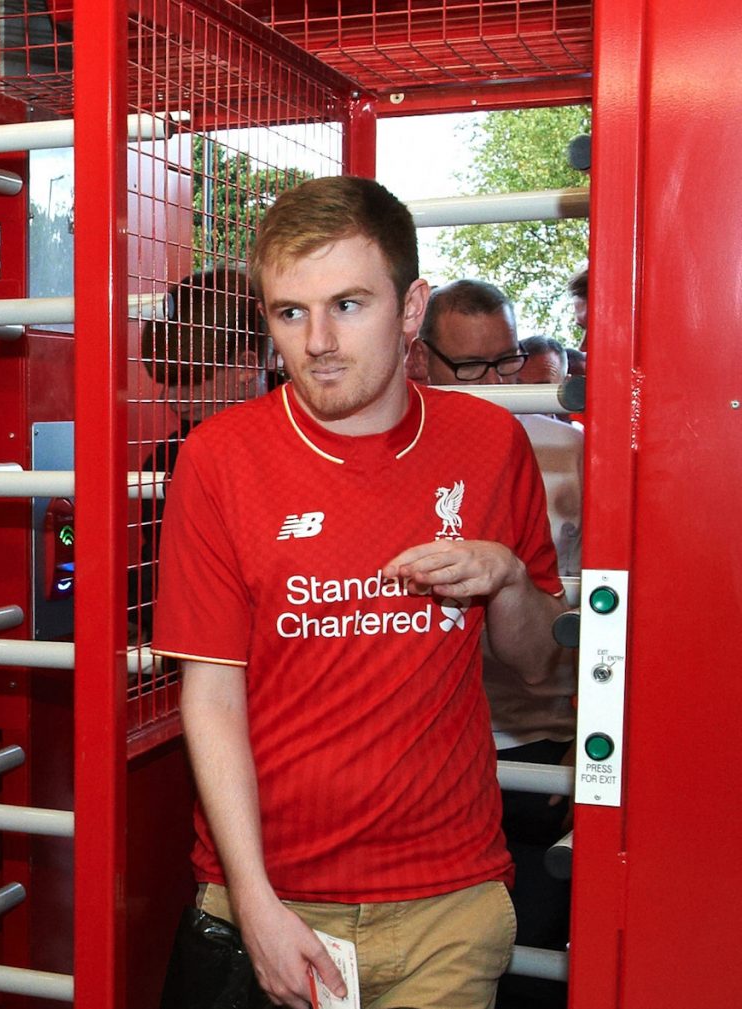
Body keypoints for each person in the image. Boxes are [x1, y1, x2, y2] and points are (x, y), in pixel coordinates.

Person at [152, 177, 567, 1009]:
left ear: (411, 309)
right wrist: (256, 903)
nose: (319, 342)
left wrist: (510, 578)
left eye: (348, 304)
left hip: (446, 904)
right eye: (290, 312)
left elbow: (535, 666)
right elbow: (212, 695)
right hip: (272, 898)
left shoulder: (490, 444)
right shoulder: (218, 459)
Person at [412, 278, 582, 1009]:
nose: (496, 383)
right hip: (432, 753)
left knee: (529, 972)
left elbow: (609, 609)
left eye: (507, 362)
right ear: (424, 359)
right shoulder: (397, 448)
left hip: (539, 754)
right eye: (471, 366)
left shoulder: (568, 450)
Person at [134, 268, 266, 638]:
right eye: (166, 381)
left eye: (189, 380)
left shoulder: (311, 443)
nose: (171, 400)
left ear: (244, 368)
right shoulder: (166, 463)